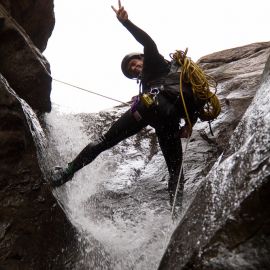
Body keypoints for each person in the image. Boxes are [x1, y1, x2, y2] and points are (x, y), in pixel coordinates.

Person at [51, 0, 200, 206]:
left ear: (142, 58)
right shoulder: (166, 77)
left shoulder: (155, 62)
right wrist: (189, 124)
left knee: (106, 141)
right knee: (175, 172)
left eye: (134, 63)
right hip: (164, 121)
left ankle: (68, 171)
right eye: (131, 70)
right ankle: (67, 172)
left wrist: (126, 23)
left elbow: (148, 42)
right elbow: (192, 101)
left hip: (154, 114)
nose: (134, 68)